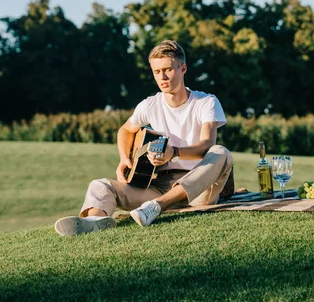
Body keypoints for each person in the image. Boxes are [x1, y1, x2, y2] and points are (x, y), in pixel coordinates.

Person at [55, 40, 233, 236]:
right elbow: (125, 130)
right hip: (156, 186)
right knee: (100, 185)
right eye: (157, 72)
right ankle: (95, 221)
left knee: (221, 152)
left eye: (168, 70)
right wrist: (124, 158)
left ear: (183, 68)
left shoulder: (206, 102)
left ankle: (157, 207)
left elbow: (206, 145)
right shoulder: (149, 105)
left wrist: (173, 153)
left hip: (197, 190)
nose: (162, 77)